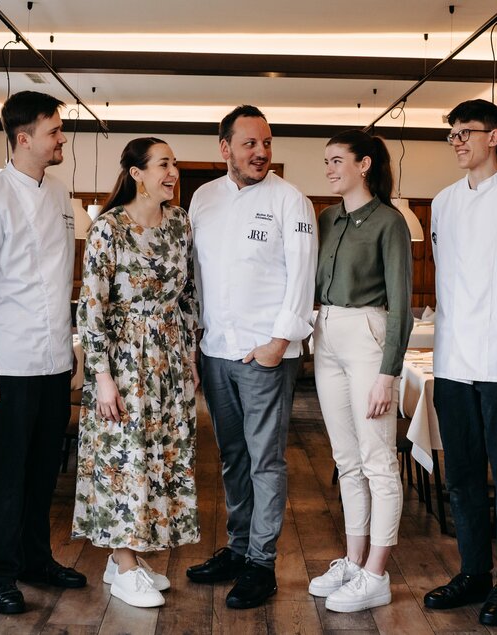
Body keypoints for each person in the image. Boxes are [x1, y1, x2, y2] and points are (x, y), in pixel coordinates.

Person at [185, 105, 317, 609]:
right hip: (216, 351)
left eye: (266, 143)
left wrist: (277, 344)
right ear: (225, 148)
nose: (261, 153)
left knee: (265, 460)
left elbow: (302, 280)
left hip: (266, 354)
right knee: (232, 458)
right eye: (249, 144)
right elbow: (195, 278)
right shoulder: (202, 199)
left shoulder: (292, 201)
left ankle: (261, 563)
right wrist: (196, 341)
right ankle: (239, 549)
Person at [0, 90, 86, 615]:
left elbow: (63, 280)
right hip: (9, 364)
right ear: (24, 138)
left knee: (42, 472)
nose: (62, 139)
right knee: (6, 475)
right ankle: (0, 571)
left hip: (56, 360)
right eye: (55, 131)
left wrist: (71, 349)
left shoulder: (60, 195)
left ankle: (38, 558)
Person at [423, 99, 497, 627]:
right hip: (451, 358)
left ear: (494, 137)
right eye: (451, 134)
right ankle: (473, 571)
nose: (456, 141)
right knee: (462, 475)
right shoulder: (443, 203)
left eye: (465, 132)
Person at [71, 138, 201, 608]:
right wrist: (101, 376)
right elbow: (92, 307)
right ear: (137, 173)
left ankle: (125, 557)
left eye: (174, 164)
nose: (173, 172)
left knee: (159, 455)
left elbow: (186, 296)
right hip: (123, 359)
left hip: (168, 357)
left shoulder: (181, 223)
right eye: (163, 164)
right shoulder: (108, 228)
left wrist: (189, 356)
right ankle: (124, 562)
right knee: (124, 458)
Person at [308, 130, 413, 613]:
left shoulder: (389, 222)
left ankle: (377, 572)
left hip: (369, 336)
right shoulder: (327, 218)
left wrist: (389, 374)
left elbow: (402, 306)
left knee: (378, 461)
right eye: (325, 161)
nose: (328, 168)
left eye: (336, 160)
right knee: (346, 459)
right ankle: (353, 560)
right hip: (325, 334)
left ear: (364, 164)